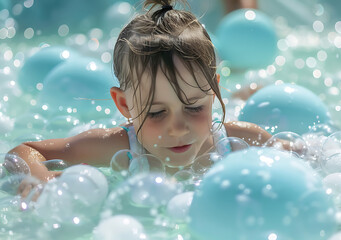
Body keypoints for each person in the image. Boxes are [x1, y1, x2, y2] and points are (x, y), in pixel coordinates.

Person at [6, 0, 295, 196]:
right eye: (157, 112)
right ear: (124, 105)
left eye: (194, 107)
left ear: (213, 92)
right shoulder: (121, 147)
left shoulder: (235, 142)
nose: (178, 128)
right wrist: (39, 182)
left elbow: (299, 155)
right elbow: (24, 151)